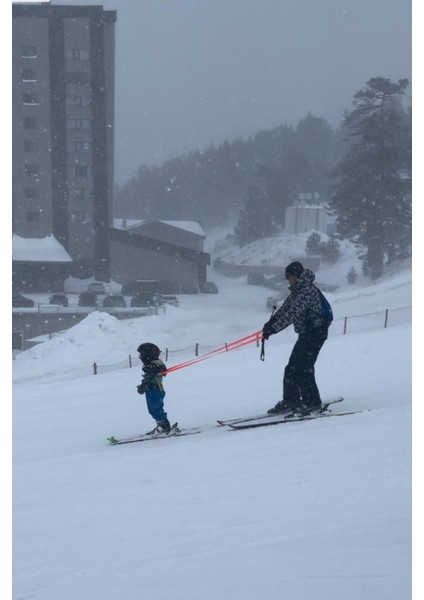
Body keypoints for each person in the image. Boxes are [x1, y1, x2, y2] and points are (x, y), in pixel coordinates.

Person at [262, 261, 331, 416]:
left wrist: (273, 329)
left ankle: (311, 403)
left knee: (303, 369)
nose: (287, 280)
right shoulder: (297, 291)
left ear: (296, 276)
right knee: (293, 368)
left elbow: (293, 314)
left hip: (316, 333)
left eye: (288, 276)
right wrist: (270, 324)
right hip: (307, 334)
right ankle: (291, 401)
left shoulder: (306, 291)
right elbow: (285, 309)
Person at [136, 342, 171, 433]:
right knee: (157, 408)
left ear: (147, 354)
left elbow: (149, 377)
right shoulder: (157, 363)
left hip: (153, 389)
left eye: (141, 354)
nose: (140, 357)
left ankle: (163, 426)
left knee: (154, 409)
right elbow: (161, 371)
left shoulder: (150, 365)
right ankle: (163, 424)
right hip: (157, 389)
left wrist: (143, 386)